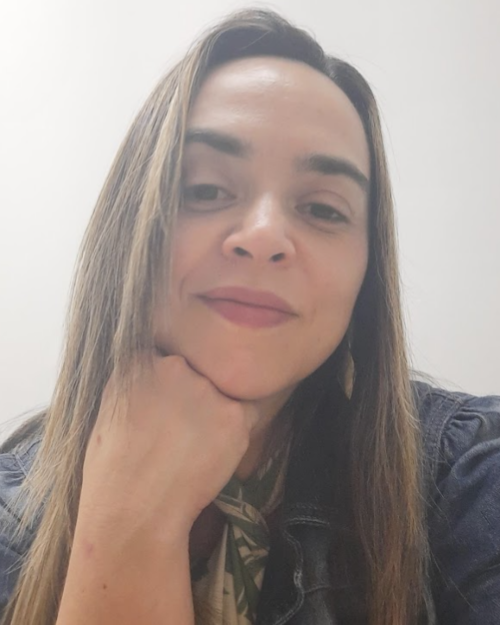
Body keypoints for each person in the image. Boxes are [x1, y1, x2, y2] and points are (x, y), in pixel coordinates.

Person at [0, 8, 499, 625]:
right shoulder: (12, 510)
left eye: (323, 209)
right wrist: (131, 523)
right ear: (128, 228)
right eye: (205, 190)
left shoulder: (470, 474)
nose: (264, 236)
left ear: (367, 271)